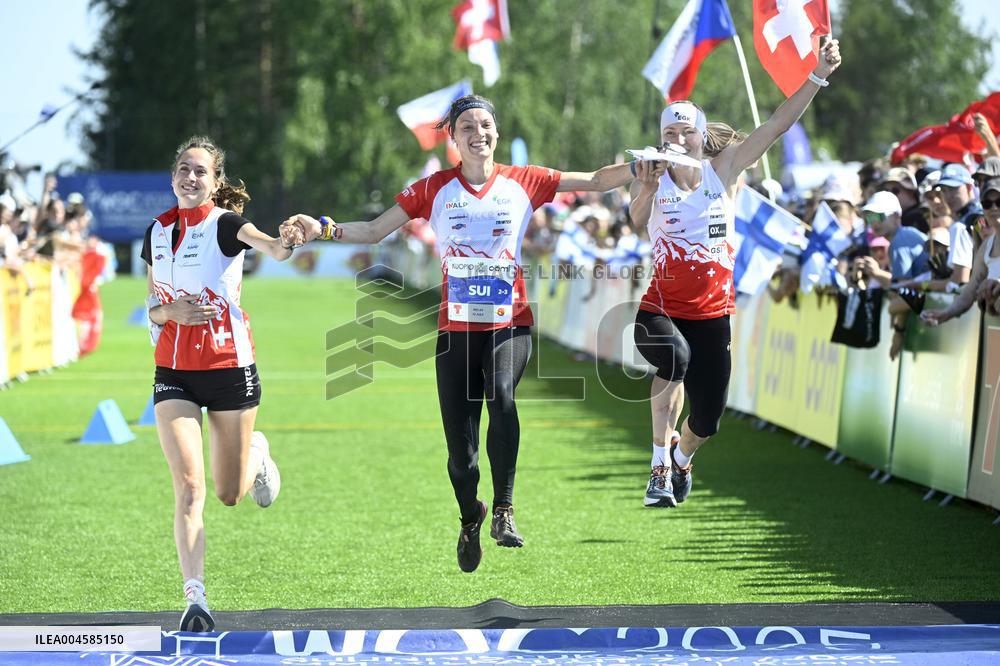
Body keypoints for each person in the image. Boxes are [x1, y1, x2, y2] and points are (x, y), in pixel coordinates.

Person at [287, 94, 633, 573]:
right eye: (466, 126)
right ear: (452, 138)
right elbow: (371, 231)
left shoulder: (524, 180)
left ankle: (505, 510)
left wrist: (650, 166)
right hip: (455, 329)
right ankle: (472, 517)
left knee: (503, 397)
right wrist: (320, 228)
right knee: (461, 458)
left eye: (485, 124)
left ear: (495, 131)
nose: (478, 133)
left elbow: (595, 181)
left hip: (509, 320)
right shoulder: (433, 188)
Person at [628, 40, 842, 509]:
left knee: (708, 420)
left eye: (686, 132)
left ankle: (683, 457)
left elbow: (777, 125)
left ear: (702, 137)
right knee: (674, 360)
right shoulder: (652, 177)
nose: (677, 140)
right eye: (670, 132)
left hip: (713, 314)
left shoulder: (723, 171)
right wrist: (645, 184)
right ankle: (659, 466)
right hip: (659, 310)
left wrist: (817, 75)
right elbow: (636, 219)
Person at [142, 136, 304, 631]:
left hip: (230, 369)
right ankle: (196, 600)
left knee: (229, 493)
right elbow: (150, 306)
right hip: (173, 374)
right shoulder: (155, 231)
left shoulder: (224, 224)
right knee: (189, 488)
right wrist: (168, 311)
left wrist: (288, 240)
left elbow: (273, 250)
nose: (191, 178)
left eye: (201, 172)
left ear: (215, 182)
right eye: (184, 170)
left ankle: (256, 453)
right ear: (173, 177)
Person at [922, 178, 1000, 324]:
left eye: (999, 202)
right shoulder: (986, 247)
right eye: (987, 204)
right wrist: (946, 313)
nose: (994, 208)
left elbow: (959, 279)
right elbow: (969, 291)